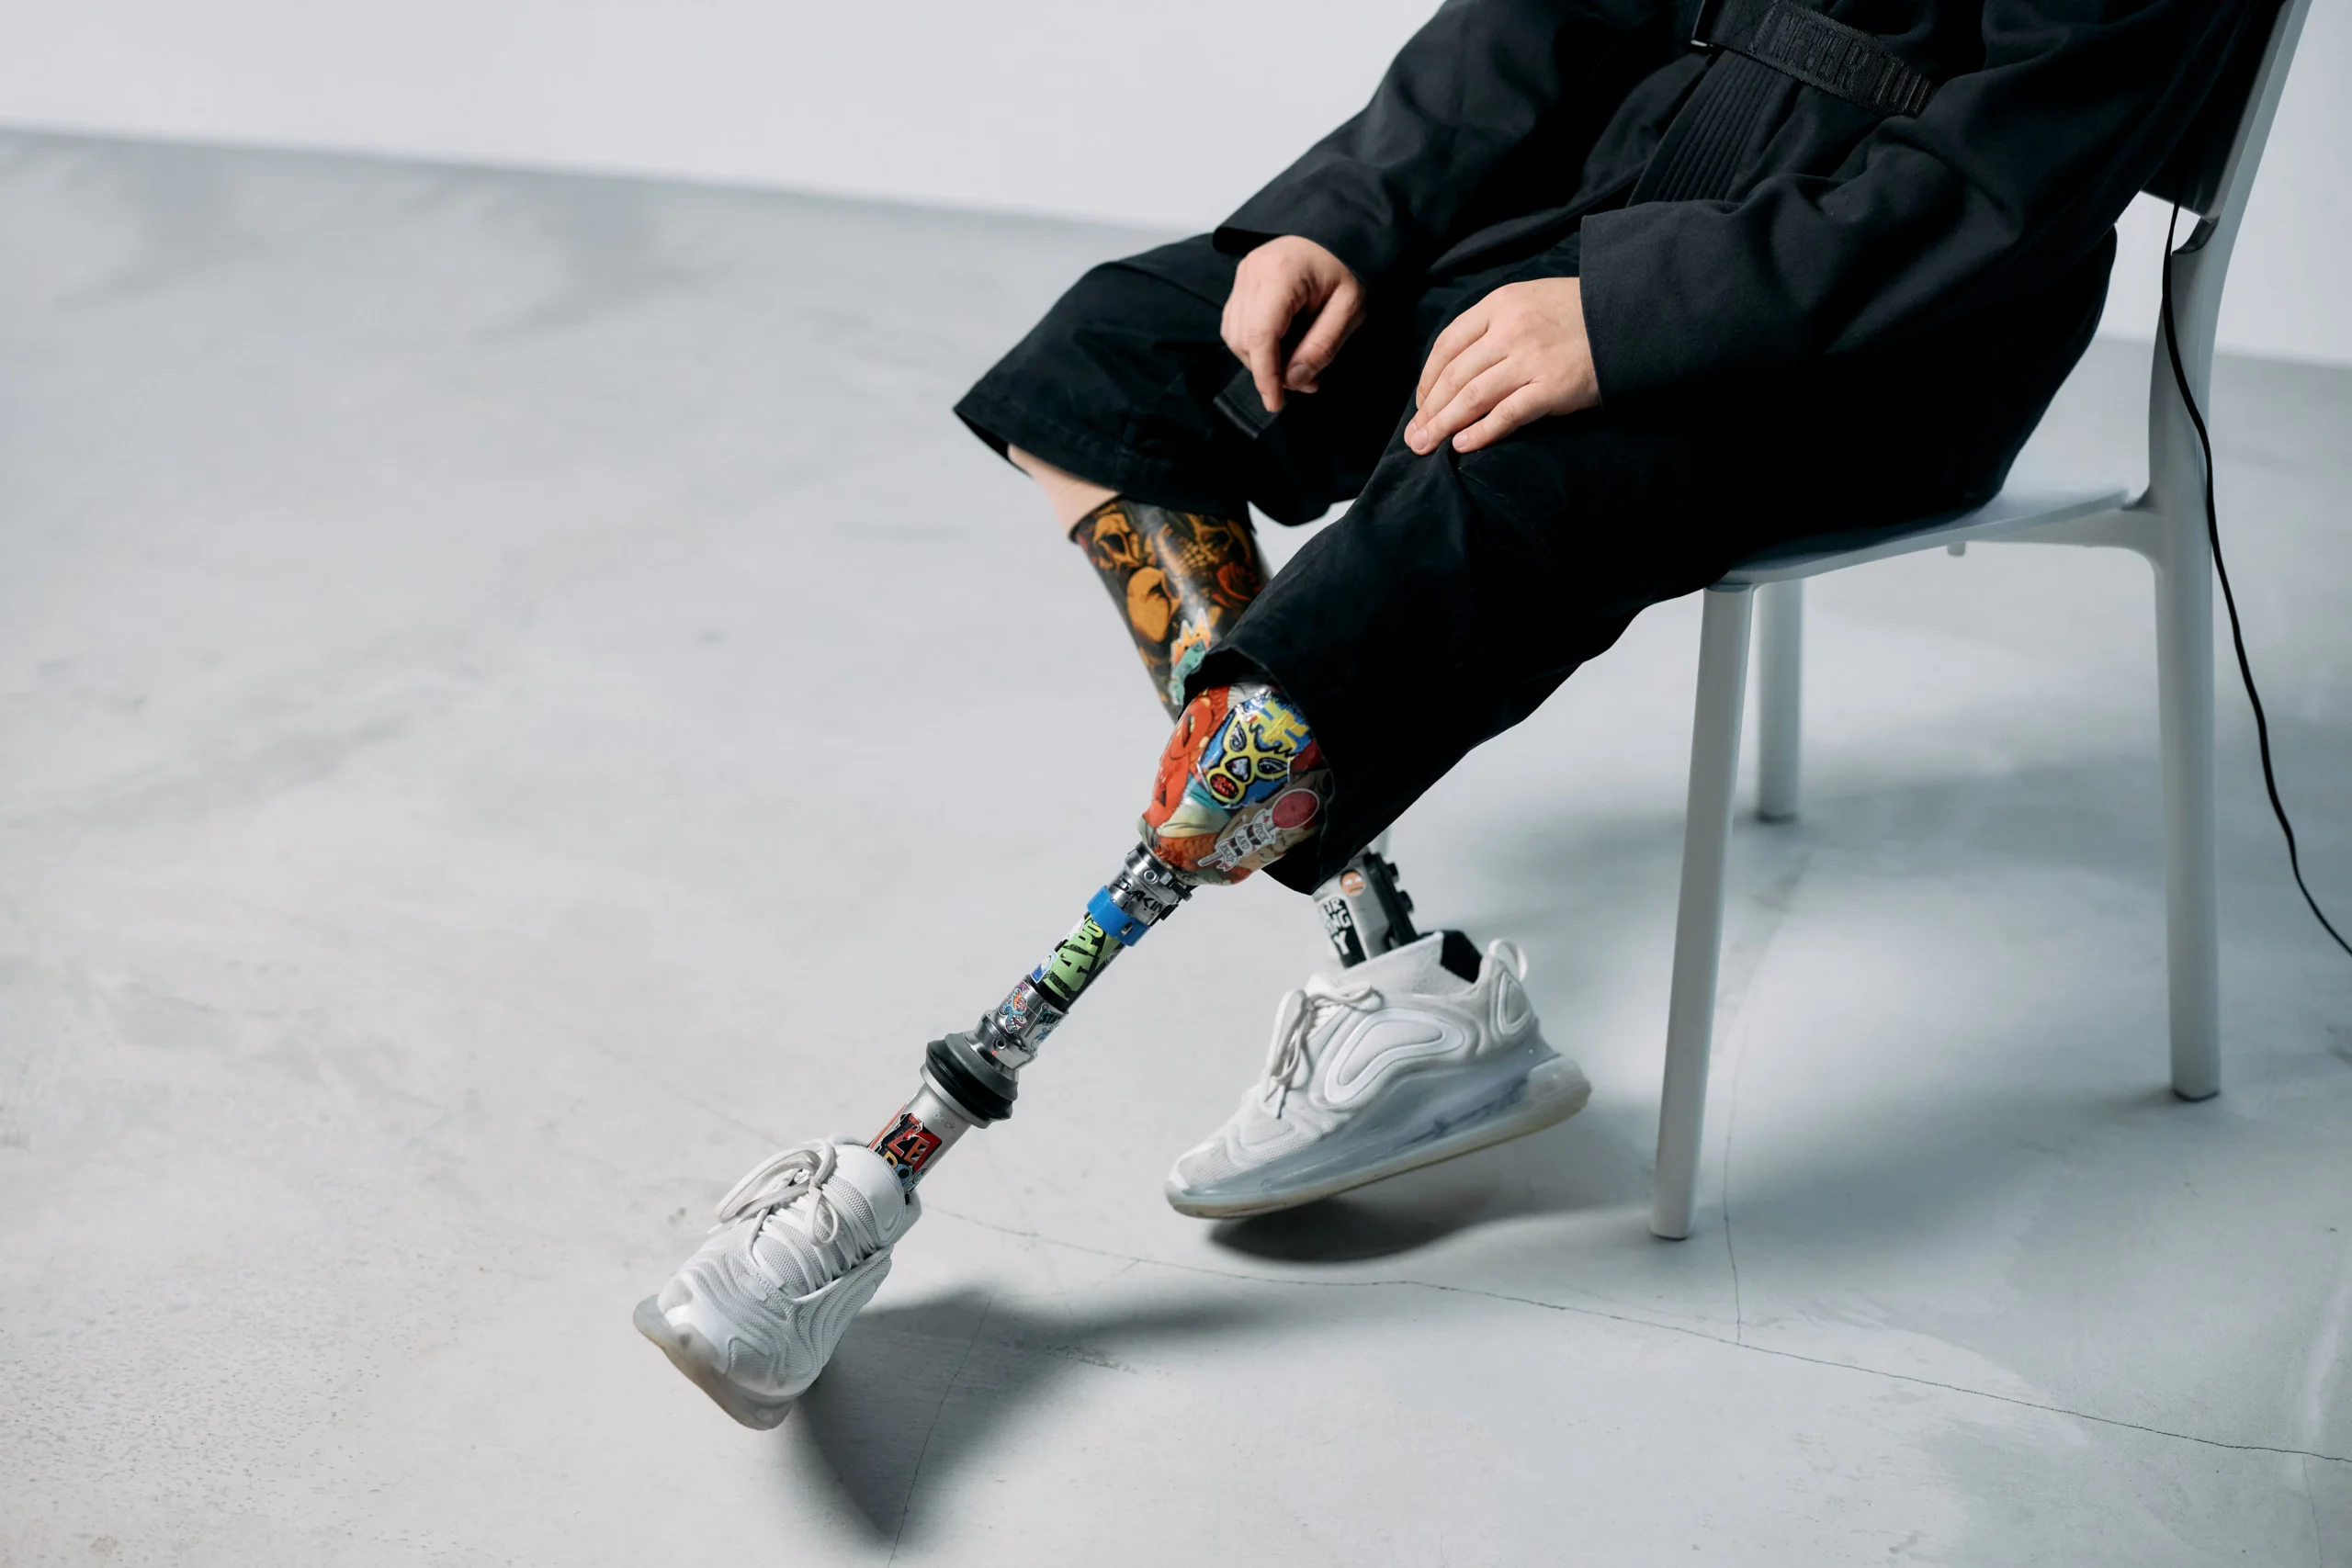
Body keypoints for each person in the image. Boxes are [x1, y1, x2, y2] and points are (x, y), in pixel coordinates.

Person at [636, 0, 2260, 1428]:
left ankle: (902, 1148)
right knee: (1118, 367)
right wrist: (1348, 216)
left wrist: (1623, 316)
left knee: (1429, 549)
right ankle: (1393, 971)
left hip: (1873, 331)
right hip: (1610, 201)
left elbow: (2015, 172)